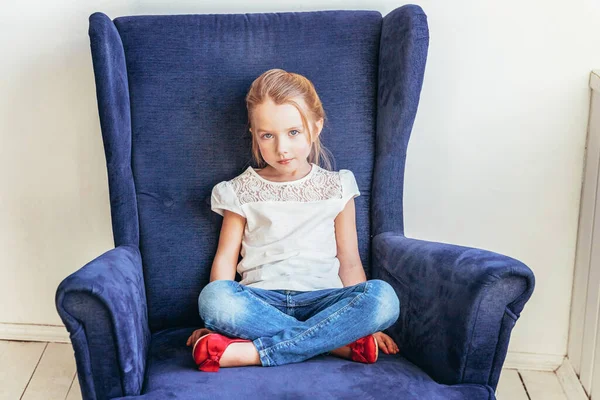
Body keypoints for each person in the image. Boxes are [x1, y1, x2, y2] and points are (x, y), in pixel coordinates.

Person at [186, 69, 401, 372]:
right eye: (267, 136)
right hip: (260, 301)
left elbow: (349, 260)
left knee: (384, 299)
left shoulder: (338, 186)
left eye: (293, 133)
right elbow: (225, 261)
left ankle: (251, 353)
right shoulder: (238, 190)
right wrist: (215, 321)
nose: (281, 148)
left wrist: (364, 324)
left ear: (316, 127)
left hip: (326, 301)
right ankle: (336, 344)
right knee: (214, 299)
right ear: (254, 134)